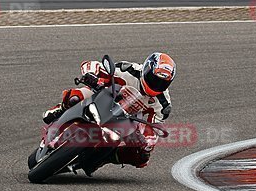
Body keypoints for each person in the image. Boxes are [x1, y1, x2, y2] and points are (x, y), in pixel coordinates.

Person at [42, 53, 176, 169]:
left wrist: (145, 142)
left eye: (161, 83)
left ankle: (106, 157)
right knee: (75, 98)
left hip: (127, 122)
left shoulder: (163, 104)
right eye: (154, 79)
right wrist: (91, 75)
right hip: (105, 98)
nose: (156, 85)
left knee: (142, 157)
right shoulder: (128, 70)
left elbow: (153, 129)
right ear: (146, 69)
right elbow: (93, 65)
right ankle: (60, 110)